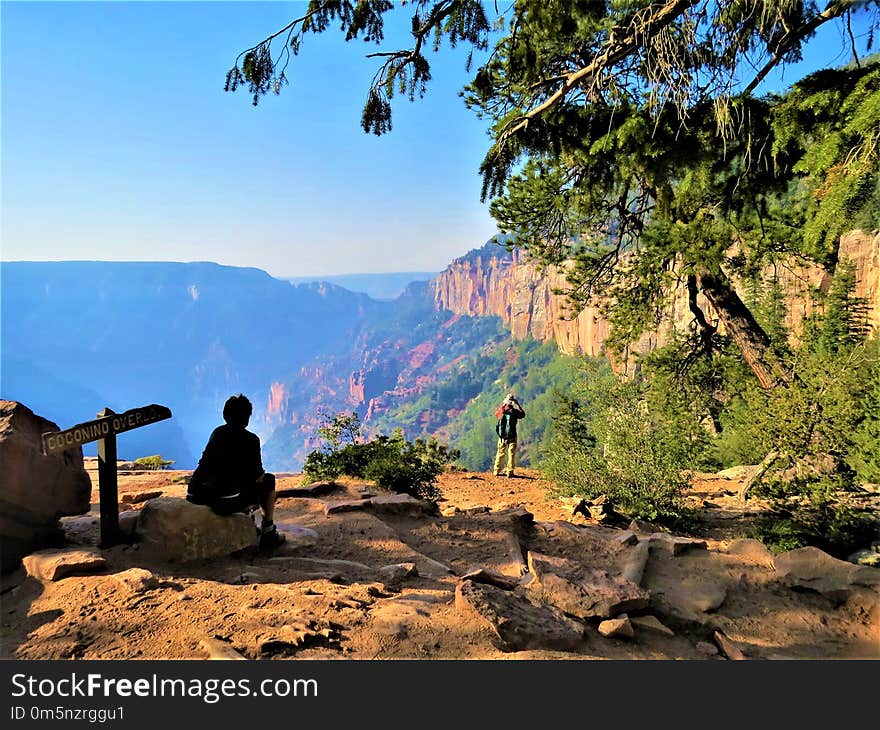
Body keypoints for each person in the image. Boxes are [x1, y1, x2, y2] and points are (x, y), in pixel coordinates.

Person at [186, 394, 285, 549]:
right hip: (223, 502)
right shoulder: (251, 440)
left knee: (236, 485)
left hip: (195, 495)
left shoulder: (217, 433)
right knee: (269, 480)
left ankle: (250, 521)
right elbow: (258, 476)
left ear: (225, 415)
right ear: (247, 418)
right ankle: (268, 530)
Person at [493, 392, 525, 478]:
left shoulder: (502, 411)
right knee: (511, 454)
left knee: (500, 452)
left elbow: (496, 415)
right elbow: (523, 414)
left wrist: (503, 405)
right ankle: (510, 471)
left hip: (502, 436)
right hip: (512, 436)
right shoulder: (514, 412)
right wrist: (517, 404)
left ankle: (496, 470)